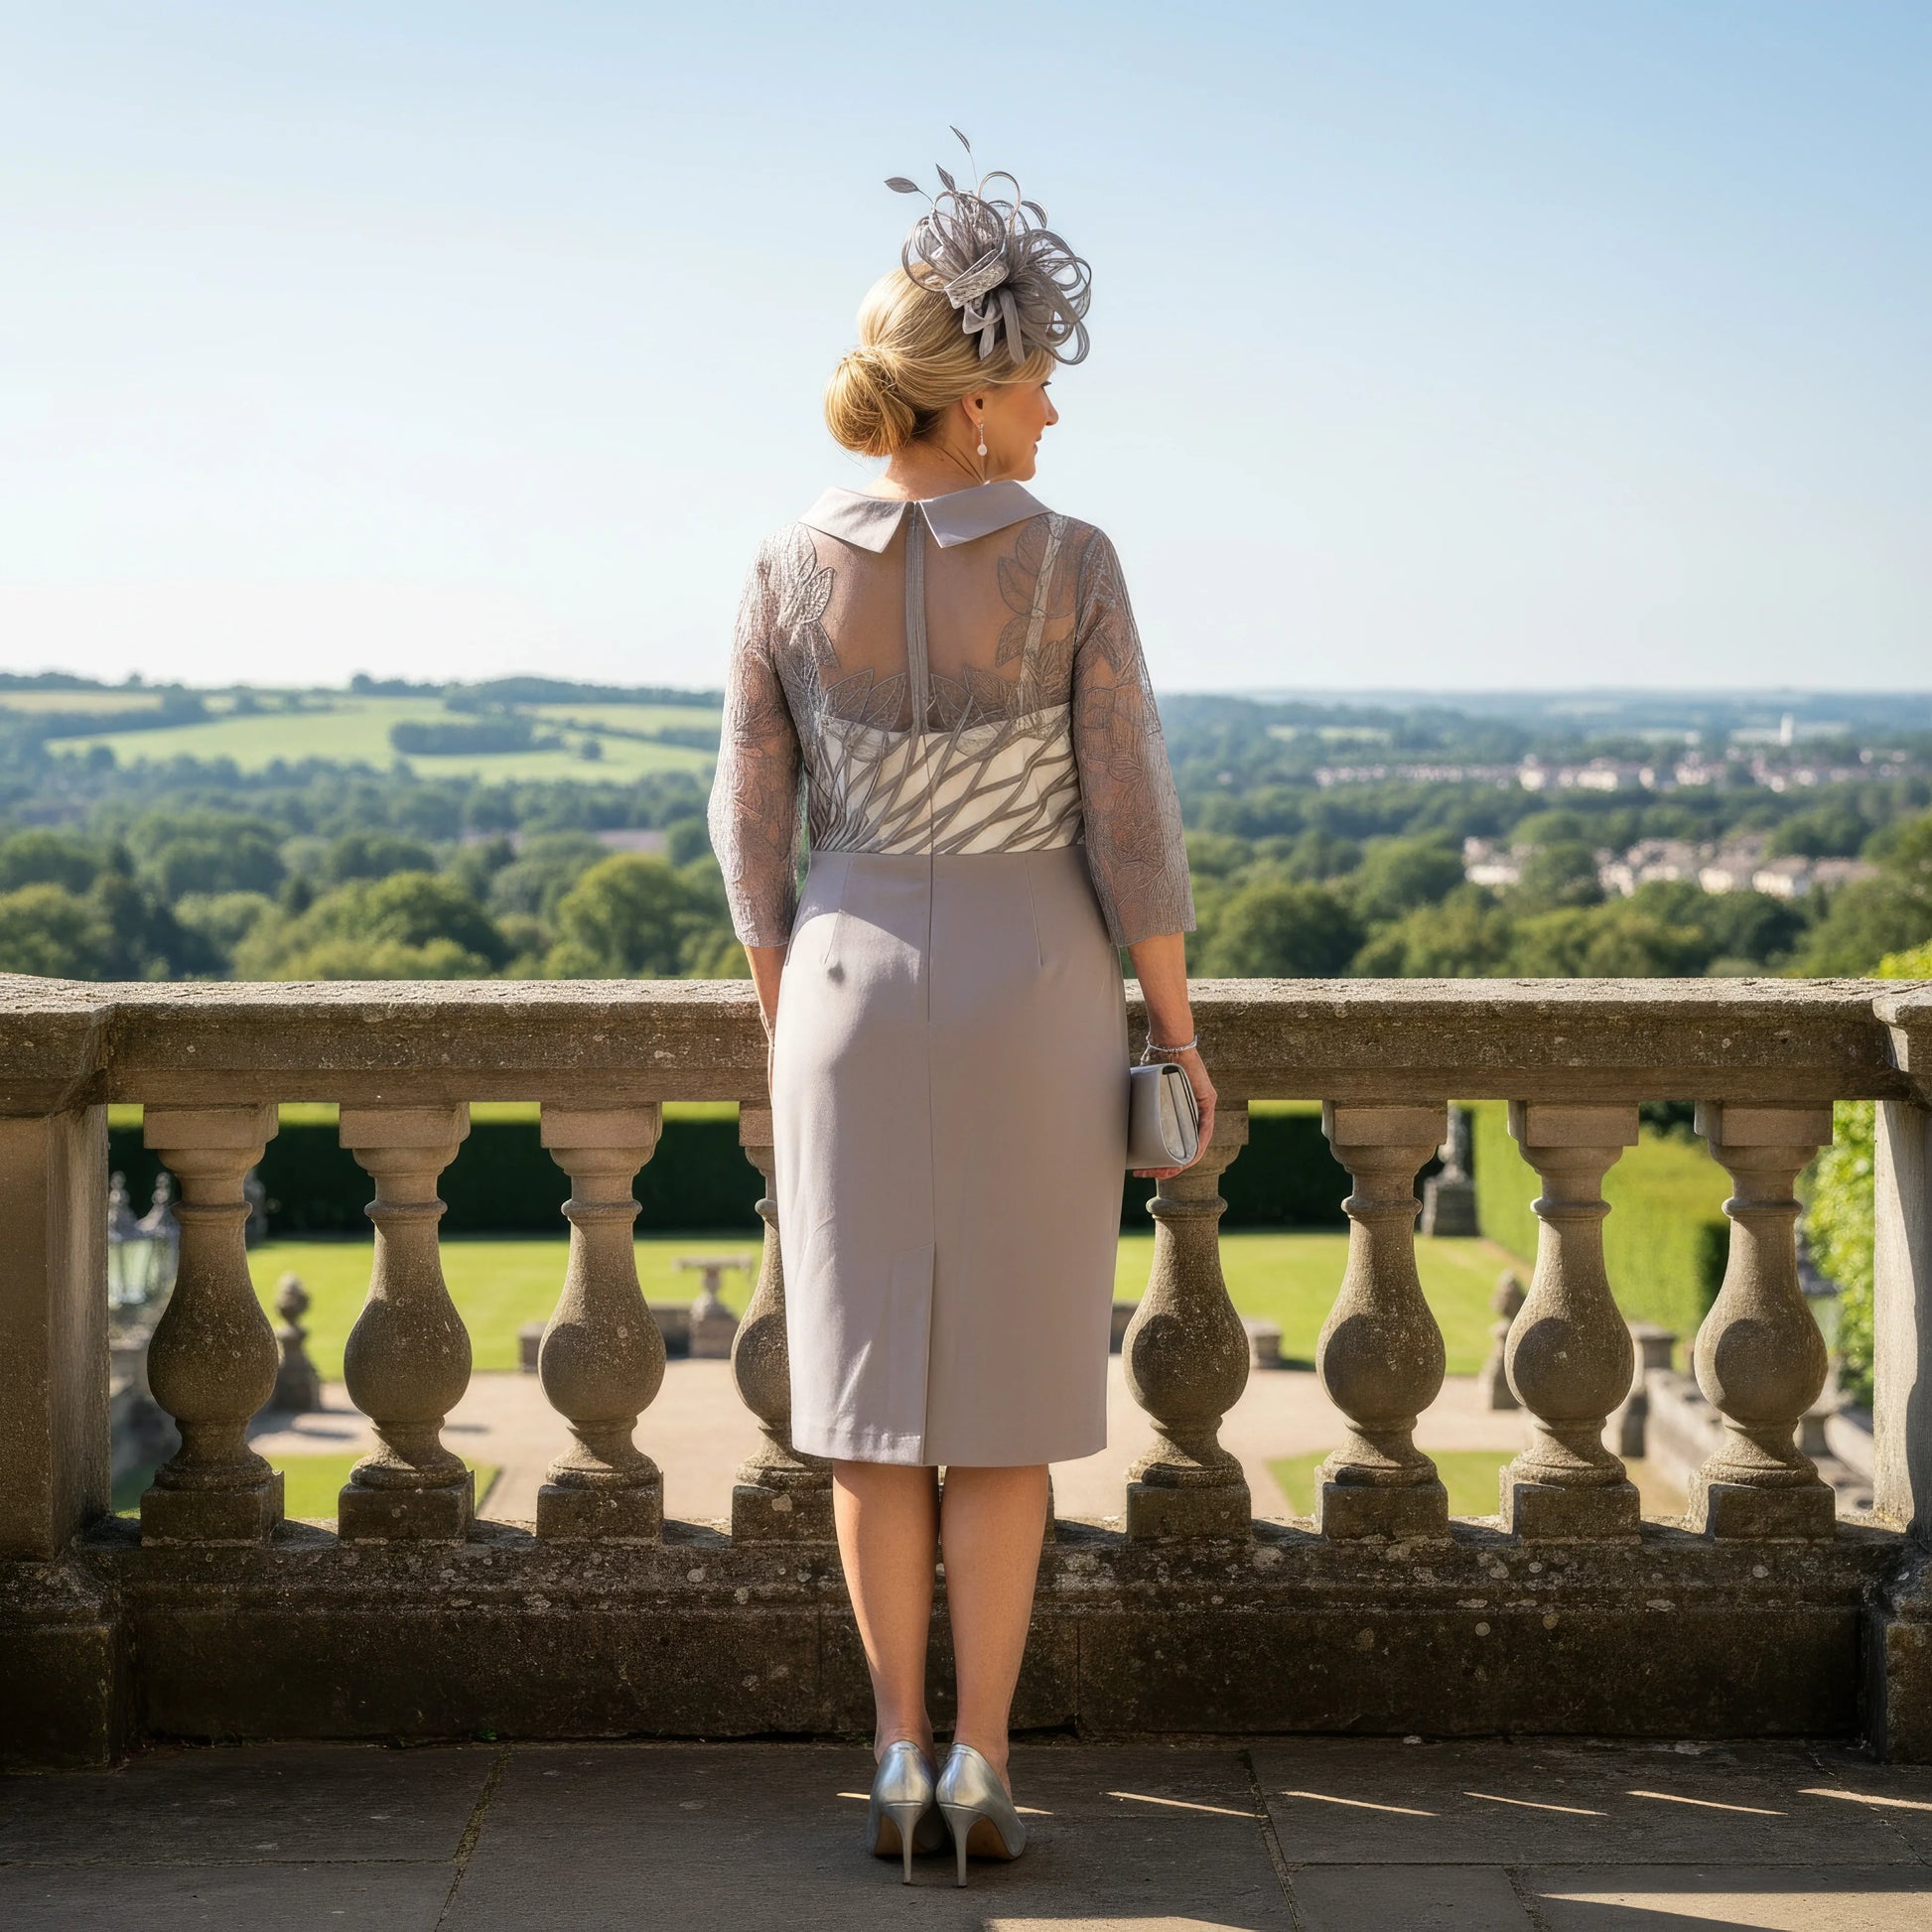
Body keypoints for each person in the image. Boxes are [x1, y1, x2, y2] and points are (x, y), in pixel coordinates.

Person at [708, 131, 1211, 1888]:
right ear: (980, 397)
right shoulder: (1071, 562)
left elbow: (749, 839)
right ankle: (984, 1757)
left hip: (844, 986)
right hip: (1033, 989)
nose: (1056, 419)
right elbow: (1130, 825)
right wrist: (1177, 1026)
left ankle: (892, 1755)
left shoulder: (779, 565)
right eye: (1044, 383)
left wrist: (792, 1015)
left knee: (864, 1408)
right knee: (998, 1405)